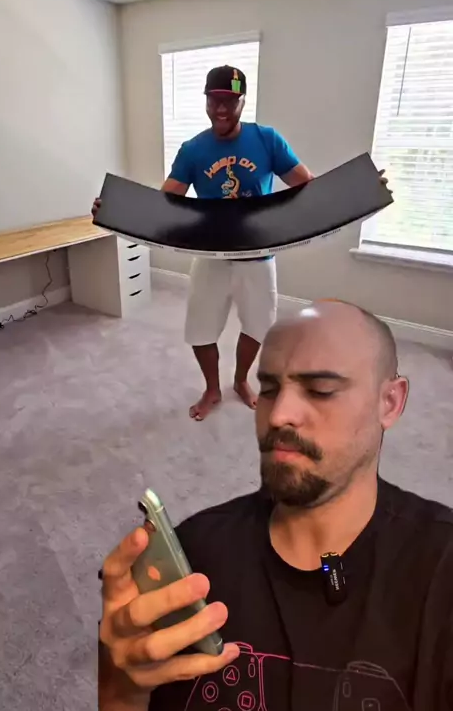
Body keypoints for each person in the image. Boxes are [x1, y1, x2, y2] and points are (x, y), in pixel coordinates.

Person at [98, 300, 453, 711]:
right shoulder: (193, 557)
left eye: (320, 390)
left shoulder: (441, 568)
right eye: (268, 389)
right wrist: (121, 686)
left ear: (389, 402)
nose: (278, 414)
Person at [93, 64, 315, 421]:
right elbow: (163, 203)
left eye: (230, 101)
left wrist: (361, 190)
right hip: (210, 255)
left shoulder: (267, 140)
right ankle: (212, 389)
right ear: (207, 101)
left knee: (258, 326)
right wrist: (115, 209)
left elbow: (308, 186)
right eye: (214, 100)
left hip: (258, 256)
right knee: (200, 330)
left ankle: (240, 380)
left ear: (243, 101)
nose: (221, 109)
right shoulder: (193, 150)